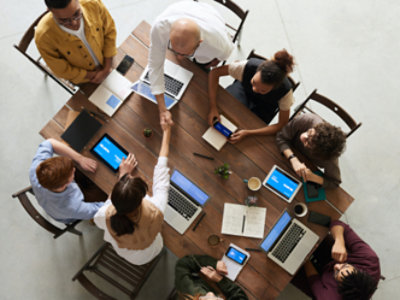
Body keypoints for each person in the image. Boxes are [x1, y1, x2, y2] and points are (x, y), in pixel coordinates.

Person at [94, 123, 171, 265]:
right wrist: (167, 132)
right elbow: (161, 175)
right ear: (141, 199)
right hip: (152, 250)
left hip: (132, 257)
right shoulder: (156, 208)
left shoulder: (102, 215)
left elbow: (109, 203)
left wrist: (122, 175)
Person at [148, 1, 234, 127]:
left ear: (200, 43)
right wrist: (162, 109)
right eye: (174, 50)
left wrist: (215, 60)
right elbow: (155, 65)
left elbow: (225, 54)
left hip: (211, 19)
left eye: (185, 54)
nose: (178, 58)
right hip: (185, 7)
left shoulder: (218, 45)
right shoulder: (160, 28)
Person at [208, 49, 295, 143]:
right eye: (254, 82)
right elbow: (214, 73)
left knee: (249, 128)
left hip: (265, 106)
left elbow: (282, 124)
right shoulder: (246, 66)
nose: (255, 89)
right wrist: (213, 107)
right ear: (257, 70)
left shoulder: (285, 92)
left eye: (263, 90)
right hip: (243, 90)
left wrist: (248, 133)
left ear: (274, 88)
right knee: (225, 109)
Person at [35, 0, 117, 84]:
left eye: (76, 14)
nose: (74, 23)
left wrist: (107, 68)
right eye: (64, 20)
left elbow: (109, 31)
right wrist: (93, 75)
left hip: (109, 61)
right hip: (86, 80)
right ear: (49, 10)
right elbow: (61, 70)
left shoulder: (93, 4)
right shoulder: (43, 37)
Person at [29, 139, 105, 224]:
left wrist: (80, 159)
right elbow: (103, 210)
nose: (74, 169)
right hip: (70, 215)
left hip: (49, 202)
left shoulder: (37, 169)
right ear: (65, 184)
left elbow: (49, 142)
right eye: (72, 172)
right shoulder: (73, 207)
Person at [299, 221, 380, 300]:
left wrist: (305, 255)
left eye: (337, 272)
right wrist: (339, 241)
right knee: (315, 229)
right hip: (333, 255)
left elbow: (313, 278)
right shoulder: (369, 259)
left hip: (319, 282)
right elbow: (339, 224)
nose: (336, 265)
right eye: (345, 265)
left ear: (339, 288)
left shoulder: (329, 297)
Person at [276, 113, 346, 189]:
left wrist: (312, 177)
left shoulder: (329, 158)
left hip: (302, 173)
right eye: (309, 132)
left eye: (308, 142)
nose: (303, 136)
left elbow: (334, 183)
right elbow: (281, 137)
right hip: (282, 154)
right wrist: (293, 159)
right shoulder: (306, 120)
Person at [175, 255, 248, 300]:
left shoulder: (188, 290)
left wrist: (213, 263)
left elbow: (182, 265)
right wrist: (220, 280)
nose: (211, 294)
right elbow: (239, 297)